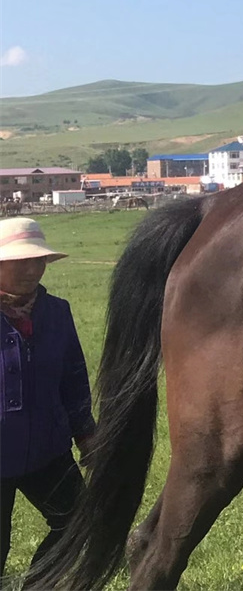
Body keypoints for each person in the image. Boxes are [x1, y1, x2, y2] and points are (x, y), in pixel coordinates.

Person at [0, 218, 94, 579]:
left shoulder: (57, 313)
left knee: (78, 522)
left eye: (37, 260)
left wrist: (86, 434)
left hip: (47, 448)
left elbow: (73, 378)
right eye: (19, 261)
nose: (31, 269)